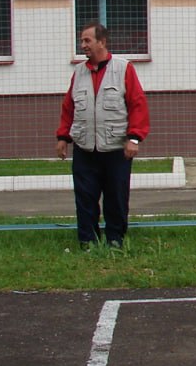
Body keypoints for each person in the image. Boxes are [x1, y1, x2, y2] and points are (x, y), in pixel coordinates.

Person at [55, 22, 150, 250]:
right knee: (85, 197)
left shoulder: (123, 69)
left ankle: (115, 238)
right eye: (82, 41)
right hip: (85, 148)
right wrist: (63, 137)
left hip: (116, 148)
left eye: (87, 40)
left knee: (116, 196)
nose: (83, 45)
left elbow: (138, 105)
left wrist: (134, 138)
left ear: (102, 42)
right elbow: (69, 107)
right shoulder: (78, 72)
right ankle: (88, 240)